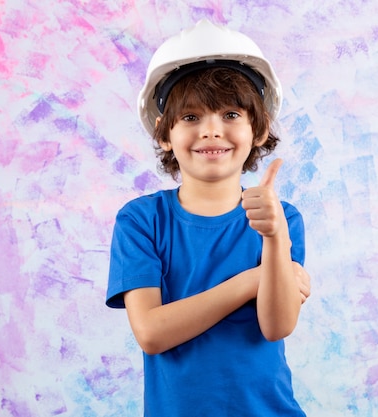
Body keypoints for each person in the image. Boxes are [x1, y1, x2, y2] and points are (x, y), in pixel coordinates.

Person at [106, 19, 312, 416]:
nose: (211, 131)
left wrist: (273, 238)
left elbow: (277, 326)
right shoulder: (141, 220)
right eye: (190, 117)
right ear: (165, 134)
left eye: (231, 114)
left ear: (260, 128)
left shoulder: (282, 218)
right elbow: (150, 332)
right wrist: (253, 280)